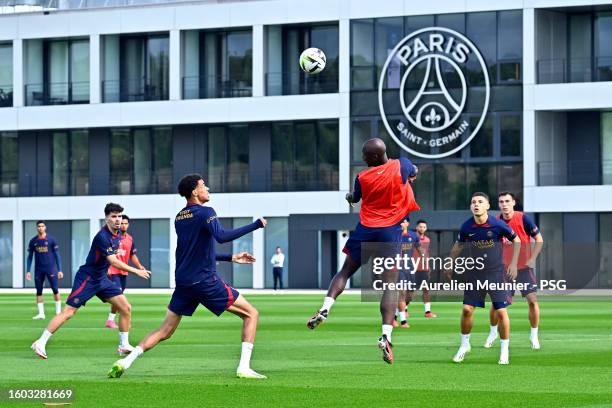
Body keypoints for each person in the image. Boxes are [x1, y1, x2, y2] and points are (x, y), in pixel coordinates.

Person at [108, 174, 268, 379]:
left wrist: (231, 257)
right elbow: (221, 236)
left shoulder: (179, 217)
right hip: (204, 280)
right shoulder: (206, 212)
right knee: (251, 314)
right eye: (203, 186)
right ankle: (244, 368)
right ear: (194, 192)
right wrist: (256, 224)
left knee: (165, 330)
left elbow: (195, 251)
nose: (207, 188)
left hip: (184, 283)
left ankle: (125, 361)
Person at [307, 138, 420, 364]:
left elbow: (355, 198)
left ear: (376, 157)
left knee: (346, 271)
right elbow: (414, 171)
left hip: (366, 229)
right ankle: (386, 336)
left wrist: (349, 197)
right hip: (390, 231)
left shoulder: (362, 177)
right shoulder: (402, 165)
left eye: (366, 156)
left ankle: (325, 307)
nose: (363, 159)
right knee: (389, 284)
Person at [31, 203, 151, 359]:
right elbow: (113, 261)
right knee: (68, 313)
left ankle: (123, 345)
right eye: (113, 216)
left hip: (101, 278)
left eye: (119, 216)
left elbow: (107, 261)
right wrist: (136, 270)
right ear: (107, 218)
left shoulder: (118, 235)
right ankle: (40, 342)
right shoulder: (103, 237)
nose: (117, 220)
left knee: (126, 308)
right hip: (87, 278)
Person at [444, 192, 520, 365]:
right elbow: (459, 245)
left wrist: (514, 263)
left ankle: (504, 350)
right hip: (475, 273)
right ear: (471, 207)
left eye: (480, 202)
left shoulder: (498, 225)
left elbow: (516, 241)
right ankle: (464, 345)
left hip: (496, 273)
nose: (476, 204)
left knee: (501, 311)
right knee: (467, 310)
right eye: (473, 202)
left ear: (487, 206)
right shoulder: (466, 227)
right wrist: (449, 262)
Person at [485, 192, 544, 350]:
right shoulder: (494, 222)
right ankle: (492, 332)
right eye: (501, 201)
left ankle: (534, 335)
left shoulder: (523, 218)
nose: (504, 204)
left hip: (524, 267)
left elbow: (539, 239)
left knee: (532, 300)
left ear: (513, 203)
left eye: (507, 201)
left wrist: (532, 258)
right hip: (503, 270)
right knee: (497, 304)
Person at [105, 214, 146, 329]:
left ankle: (110, 321)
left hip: (123, 272)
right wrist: (107, 268)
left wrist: (139, 266)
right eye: (121, 223)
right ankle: (124, 318)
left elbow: (132, 255)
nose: (123, 225)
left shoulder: (130, 239)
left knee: (118, 296)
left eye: (125, 223)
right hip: (113, 271)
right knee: (118, 295)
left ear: (128, 225)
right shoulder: (111, 237)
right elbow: (105, 254)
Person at [26, 221, 64, 319]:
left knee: (55, 289)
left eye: (42, 226)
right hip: (38, 270)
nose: (40, 228)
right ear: (36, 228)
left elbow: (57, 255)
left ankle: (58, 312)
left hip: (51, 269)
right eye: (39, 226)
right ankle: (41, 314)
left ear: (45, 227)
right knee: (39, 291)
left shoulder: (51, 240)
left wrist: (59, 270)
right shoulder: (33, 241)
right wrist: (28, 271)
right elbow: (30, 257)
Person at [394, 218, 421, 329]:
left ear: (408, 223)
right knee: (402, 292)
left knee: (409, 295)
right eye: (400, 222)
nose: (402, 224)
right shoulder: (394, 235)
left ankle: (394, 316)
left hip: (409, 267)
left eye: (404, 221)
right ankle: (403, 321)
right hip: (398, 267)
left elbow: (419, 249)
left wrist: (425, 260)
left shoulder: (413, 236)